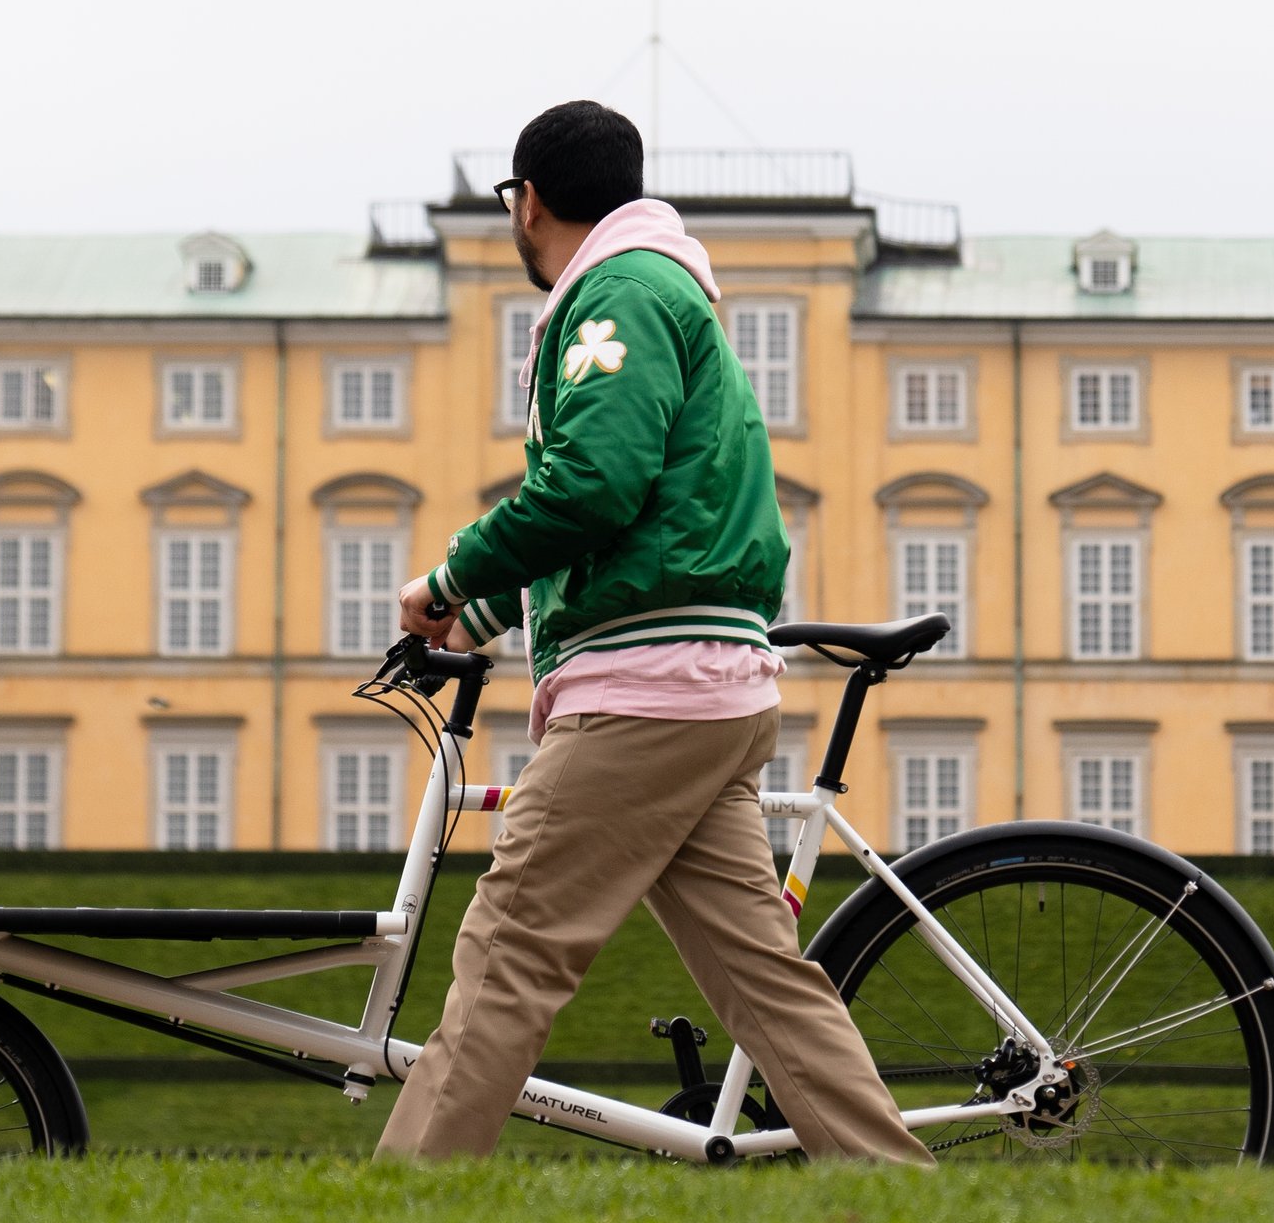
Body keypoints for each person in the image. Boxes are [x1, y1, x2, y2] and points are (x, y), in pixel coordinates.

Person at [383, 102, 932, 1165]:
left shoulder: (615, 294)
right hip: (713, 688)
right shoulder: (674, 291)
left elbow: (592, 482)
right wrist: (486, 610)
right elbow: (644, 516)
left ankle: (404, 1196)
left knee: (509, 949)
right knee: (764, 980)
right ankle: (894, 1181)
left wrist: (451, 571)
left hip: (643, 698)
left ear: (527, 199)